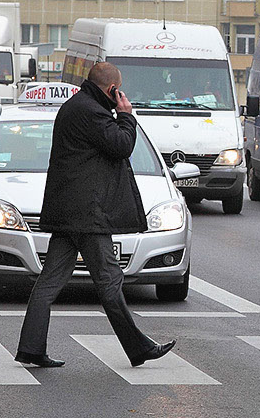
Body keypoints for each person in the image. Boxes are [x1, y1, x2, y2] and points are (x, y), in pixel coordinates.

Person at [15, 61, 175, 369]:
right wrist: (127, 116)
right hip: (87, 213)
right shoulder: (92, 111)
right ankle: (138, 347)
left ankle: (31, 348)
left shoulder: (79, 106)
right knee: (109, 280)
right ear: (113, 89)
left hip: (70, 210)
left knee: (50, 281)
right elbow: (121, 145)